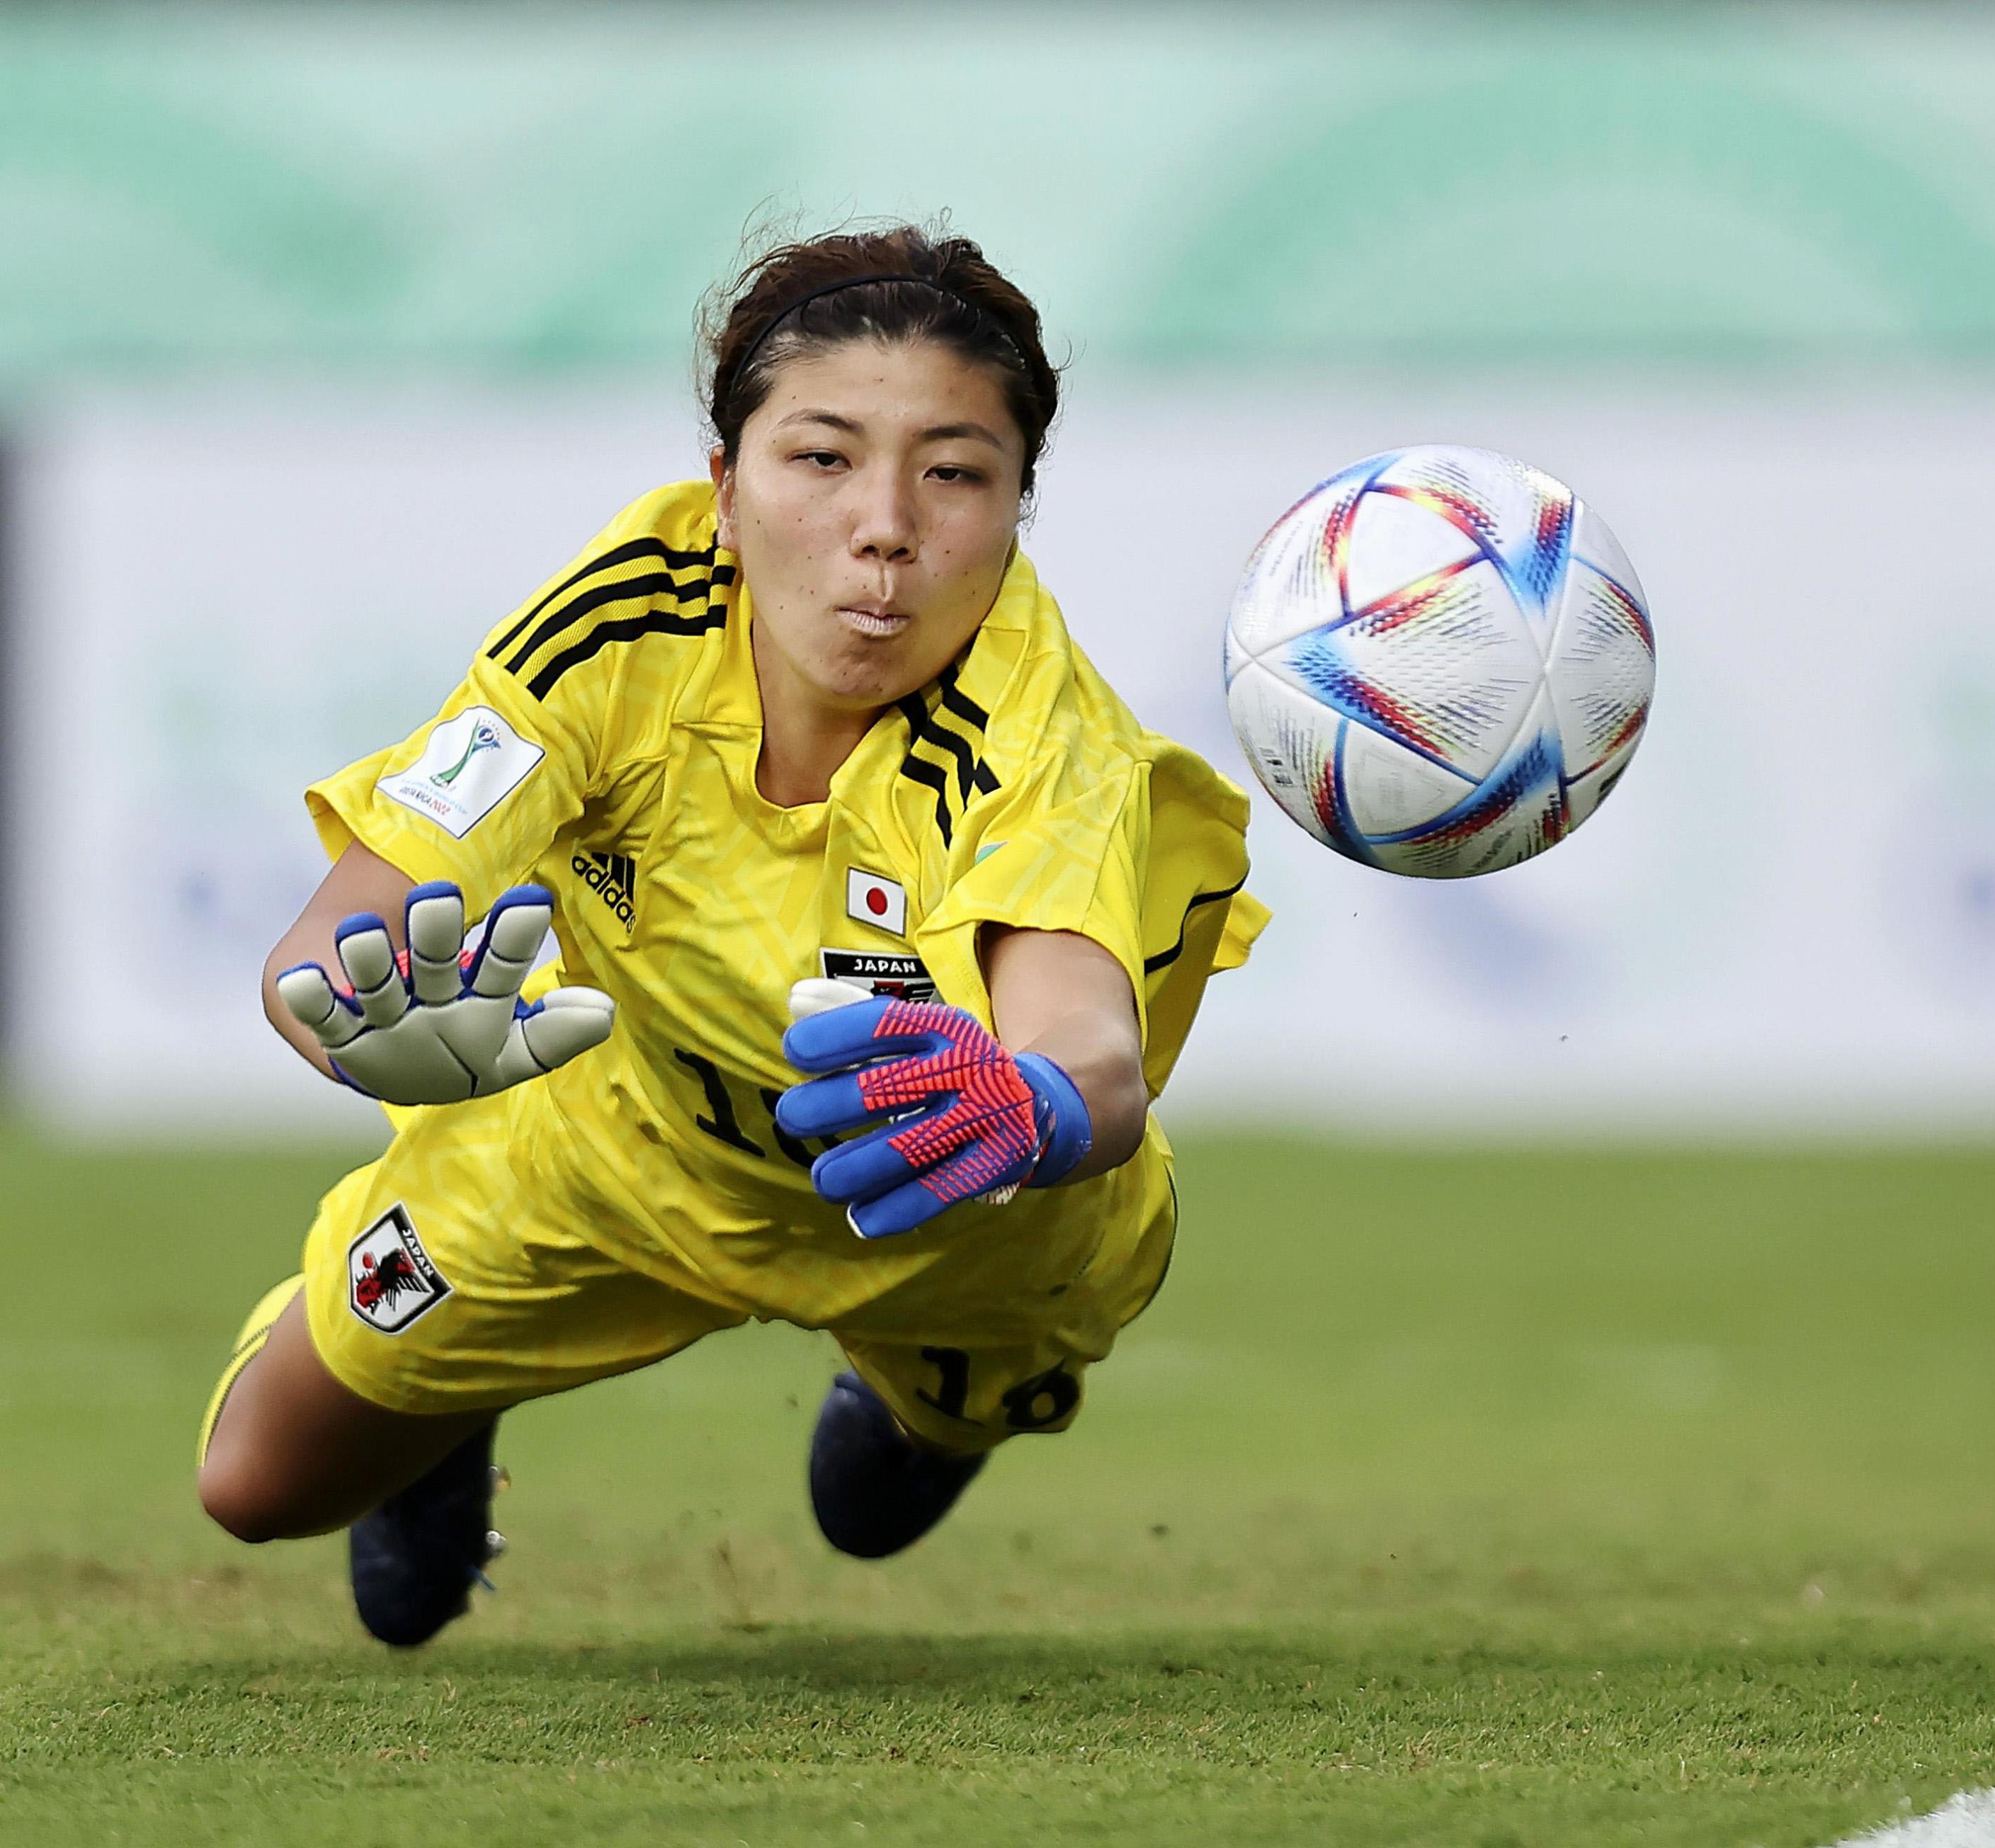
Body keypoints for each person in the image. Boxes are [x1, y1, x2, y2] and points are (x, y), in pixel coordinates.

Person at [192, 222, 1266, 1646]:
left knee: (868, 1515)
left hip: (953, 1224)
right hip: (608, 1151)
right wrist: (358, 1024)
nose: (885, 524)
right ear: (725, 489)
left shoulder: (1041, 732)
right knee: (253, 1487)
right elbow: (330, 945)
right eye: (820, 458)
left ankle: (907, 1402)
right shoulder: (623, 629)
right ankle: (447, 1417)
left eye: (955, 473)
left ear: (1016, 508)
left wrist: (1032, 1101)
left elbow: (1093, 1053)